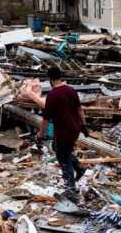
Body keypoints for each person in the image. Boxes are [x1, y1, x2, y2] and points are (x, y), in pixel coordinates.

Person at [35, 67, 86, 200]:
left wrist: (40, 134)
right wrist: (84, 124)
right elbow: (79, 109)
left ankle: (71, 188)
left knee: (63, 158)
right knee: (60, 149)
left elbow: (46, 119)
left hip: (64, 130)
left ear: (50, 79)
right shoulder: (70, 89)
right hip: (75, 128)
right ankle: (79, 168)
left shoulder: (52, 95)